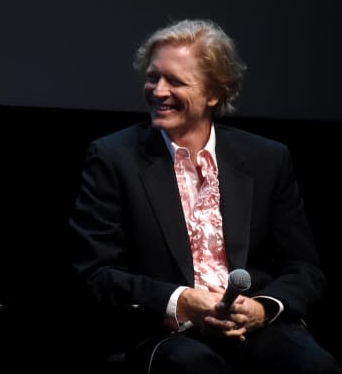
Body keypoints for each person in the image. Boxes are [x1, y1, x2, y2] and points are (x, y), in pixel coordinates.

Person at [69, 18, 341, 373]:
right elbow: (94, 273)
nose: (158, 90)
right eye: (153, 77)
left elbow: (303, 269)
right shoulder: (113, 158)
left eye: (175, 81)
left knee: (315, 367)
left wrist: (261, 308)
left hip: (254, 329)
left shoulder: (267, 159)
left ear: (214, 92)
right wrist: (181, 300)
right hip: (165, 334)